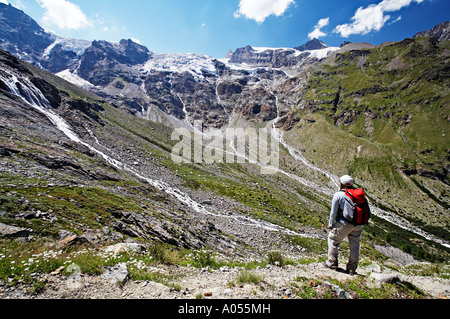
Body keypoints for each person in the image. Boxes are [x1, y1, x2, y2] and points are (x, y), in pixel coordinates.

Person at [323, 175, 365, 276]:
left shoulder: (338, 195)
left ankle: (332, 263)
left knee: (333, 239)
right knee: (354, 245)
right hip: (359, 224)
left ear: (341, 183)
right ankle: (352, 269)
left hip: (344, 223)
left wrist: (331, 224)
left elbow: (333, 212)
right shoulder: (359, 194)